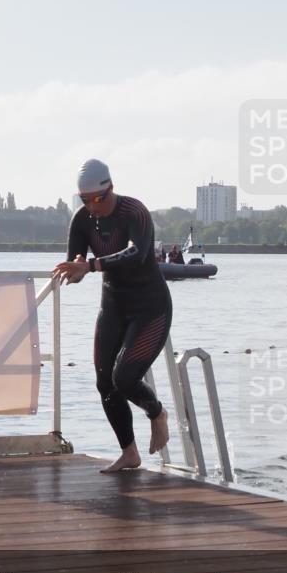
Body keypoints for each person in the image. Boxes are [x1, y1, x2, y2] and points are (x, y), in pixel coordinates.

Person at [53, 159, 171, 473]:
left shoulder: (134, 211)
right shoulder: (81, 220)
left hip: (150, 307)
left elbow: (138, 253)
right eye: (84, 200)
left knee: (125, 378)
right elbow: (75, 269)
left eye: (97, 199)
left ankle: (157, 413)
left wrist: (90, 266)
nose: (92, 206)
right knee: (105, 382)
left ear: (111, 189)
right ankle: (129, 452)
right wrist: (76, 268)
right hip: (114, 306)